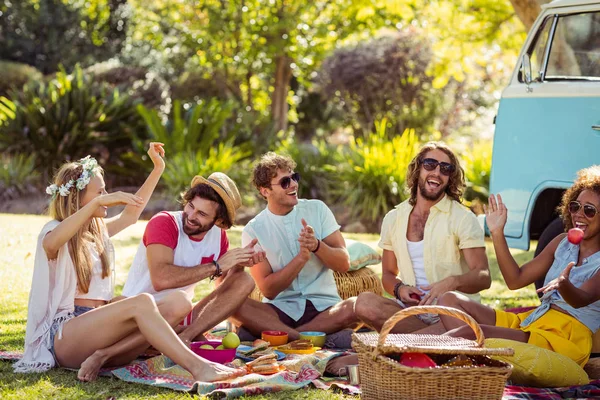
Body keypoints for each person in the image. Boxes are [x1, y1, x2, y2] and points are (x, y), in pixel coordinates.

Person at [13, 143, 243, 383]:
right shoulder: (52, 232)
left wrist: (157, 169)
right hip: (63, 337)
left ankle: (106, 355)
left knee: (178, 301)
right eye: (99, 192)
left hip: (98, 324)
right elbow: (51, 244)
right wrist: (95, 205)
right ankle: (199, 368)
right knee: (141, 302)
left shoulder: (96, 232)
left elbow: (130, 215)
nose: (106, 197)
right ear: (78, 197)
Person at [437, 165, 600, 367]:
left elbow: (581, 299)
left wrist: (563, 284)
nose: (579, 214)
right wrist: (497, 232)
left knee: (467, 332)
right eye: (575, 206)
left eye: (590, 210)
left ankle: (432, 363)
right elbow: (515, 280)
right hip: (535, 321)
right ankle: (476, 360)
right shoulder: (561, 242)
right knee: (449, 300)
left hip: (563, 338)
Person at [354, 141, 491, 333]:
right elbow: (388, 275)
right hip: (412, 312)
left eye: (445, 168)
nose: (436, 172)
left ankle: (419, 341)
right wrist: (400, 289)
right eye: (430, 164)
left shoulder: (463, 218)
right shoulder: (394, 218)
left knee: (449, 321)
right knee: (364, 303)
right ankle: (431, 339)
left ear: (450, 178)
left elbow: (483, 276)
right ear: (418, 169)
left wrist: (453, 282)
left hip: (451, 312)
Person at [122, 172, 263, 346]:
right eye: (190, 206)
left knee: (244, 281)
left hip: (181, 316)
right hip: (140, 317)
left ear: (218, 220)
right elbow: (161, 279)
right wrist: (215, 266)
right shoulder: (165, 223)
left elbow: (224, 287)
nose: (190, 215)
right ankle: (173, 340)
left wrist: (239, 263)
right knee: (179, 302)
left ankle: (185, 337)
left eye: (202, 214)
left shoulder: (218, 236)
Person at [232, 152, 359, 344]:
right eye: (285, 182)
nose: (293, 185)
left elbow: (343, 263)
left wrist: (317, 245)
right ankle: (304, 337)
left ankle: (282, 335)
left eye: (294, 177)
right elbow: (268, 291)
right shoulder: (254, 230)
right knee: (232, 303)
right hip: (281, 309)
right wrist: (300, 259)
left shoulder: (317, 209)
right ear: (265, 191)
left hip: (325, 309)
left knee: (354, 308)